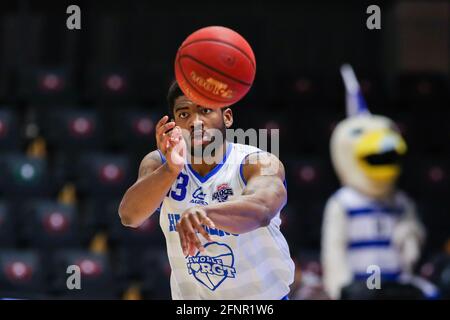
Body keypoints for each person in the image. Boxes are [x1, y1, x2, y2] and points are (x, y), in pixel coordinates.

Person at [118, 81, 295, 300]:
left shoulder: (257, 162)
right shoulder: (159, 163)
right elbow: (130, 216)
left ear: (227, 117)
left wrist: (205, 213)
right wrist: (171, 170)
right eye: (184, 114)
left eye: (205, 110)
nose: (195, 122)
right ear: (173, 123)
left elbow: (263, 209)